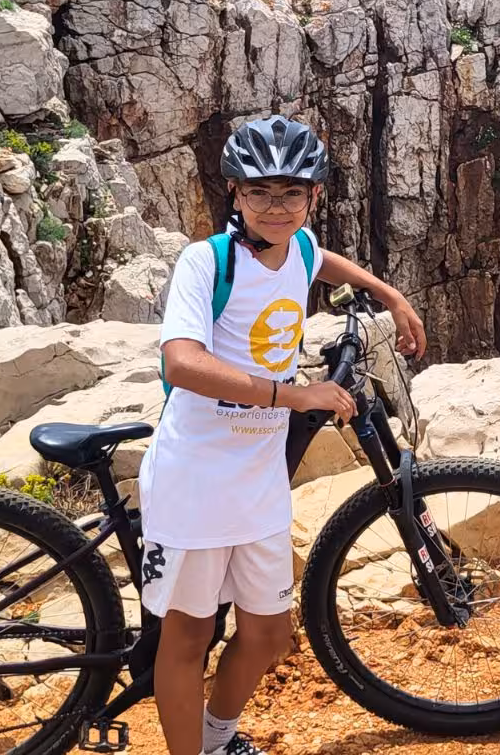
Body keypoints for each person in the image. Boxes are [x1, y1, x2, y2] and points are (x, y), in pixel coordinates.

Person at [140, 113, 427, 755]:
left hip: (259, 477)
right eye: (260, 192)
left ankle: (218, 738)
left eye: (291, 193)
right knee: (188, 638)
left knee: (269, 634)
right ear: (235, 197)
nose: (276, 206)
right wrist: (296, 395)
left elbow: (319, 260)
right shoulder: (204, 262)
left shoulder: (296, 245)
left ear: (313, 197)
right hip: (196, 477)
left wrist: (389, 294)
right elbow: (181, 364)